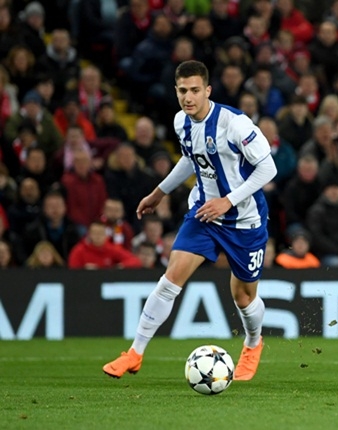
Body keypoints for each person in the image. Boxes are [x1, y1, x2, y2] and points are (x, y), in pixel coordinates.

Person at [102, 61, 278, 383]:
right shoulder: (181, 122)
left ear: (207, 90)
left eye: (195, 90)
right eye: (183, 90)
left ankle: (253, 343)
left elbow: (268, 170)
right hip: (203, 214)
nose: (188, 97)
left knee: (243, 297)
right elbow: (190, 158)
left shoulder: (235, 124)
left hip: (244, 220)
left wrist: (228, 200)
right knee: (171, 279)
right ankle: (135, 353)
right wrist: (159, 192)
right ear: (176, 91)